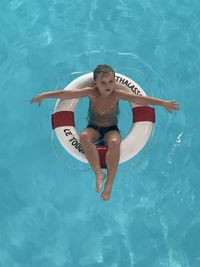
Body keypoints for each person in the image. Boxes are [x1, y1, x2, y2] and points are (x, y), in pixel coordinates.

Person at [31, 64, 180, 201]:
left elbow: (139, 98)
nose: (108, 86)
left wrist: (163, 103)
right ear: (95, 83)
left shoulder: (118, 94)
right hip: (94, 128)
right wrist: (45, 95)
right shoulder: (90, 92)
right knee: (83, 136)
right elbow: (67, 94)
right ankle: (98, 173)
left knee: (115, 142)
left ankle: (109, 184)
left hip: (111, 129)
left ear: (115, 81)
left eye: (111, 81)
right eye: (103, 83)